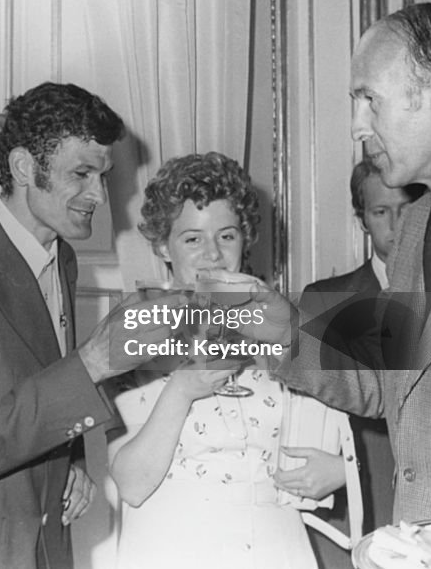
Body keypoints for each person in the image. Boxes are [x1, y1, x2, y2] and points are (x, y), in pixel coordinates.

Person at [217, 2, 431, 524]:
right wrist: (281, 332)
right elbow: (390, 383)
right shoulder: (417, 228)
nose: (357, 127)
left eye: (369, 101)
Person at [0, 82, 174, 569]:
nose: (99, 196)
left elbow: (35, 390)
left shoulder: (59, 257)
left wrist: (73, 465)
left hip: (44, 543)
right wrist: (93, 361)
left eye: (103, 176)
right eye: (82, 174)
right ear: (25, 167)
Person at [109, 152, 355, 569]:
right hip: (174, 548)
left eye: (226, 236)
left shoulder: (281, 324)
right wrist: (181, 391)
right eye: (192, 239)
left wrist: (342, 470)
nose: (213, 255)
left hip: (276, 548)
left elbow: (340, 429)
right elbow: (131, 484)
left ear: (246, 238)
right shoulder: (135, 330)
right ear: (161, 245)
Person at [299, 160, 421, 567]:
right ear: (361, 221)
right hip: (351, 513)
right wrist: (349, 469)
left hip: (426, 511)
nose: (395, 225)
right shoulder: (325, 300)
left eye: (406, 209)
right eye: (380, 212)